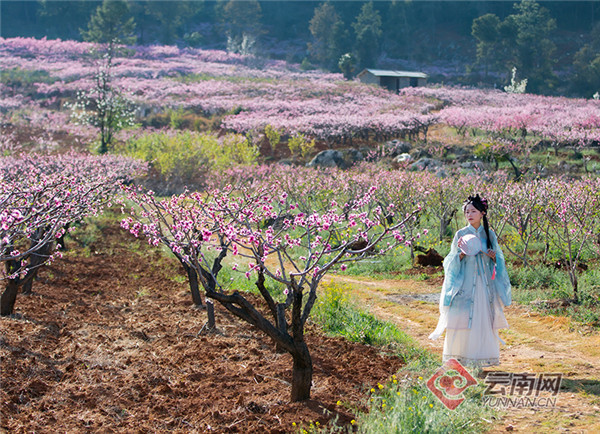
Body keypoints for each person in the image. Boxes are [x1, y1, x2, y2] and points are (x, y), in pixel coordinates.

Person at [428, 194, 511, 367]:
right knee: (462, 317)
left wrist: (494, 258)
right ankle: (460, 356)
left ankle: (481, 358)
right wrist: (461, 255)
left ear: (482, 213)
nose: (469, 214)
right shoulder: (461, 233)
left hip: (484, 284)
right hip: (464, 283)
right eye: (467, 212)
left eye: (473, 211)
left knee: (483, 318)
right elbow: (449, 261)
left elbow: (499, 261)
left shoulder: (489, 234)